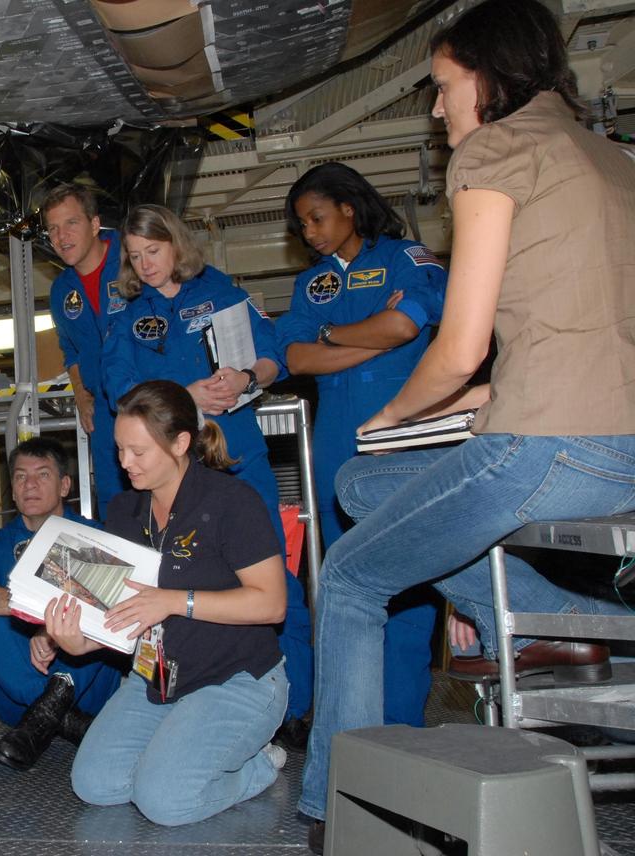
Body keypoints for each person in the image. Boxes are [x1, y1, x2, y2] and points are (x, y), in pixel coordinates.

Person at [298, 1, 635, 850]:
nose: (437, 108)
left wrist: (392, 414)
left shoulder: (496, 150)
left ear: (487, 78)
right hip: (616, 446)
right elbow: (573, 334)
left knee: (348, 577)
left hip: (548, 447)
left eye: (444, 87)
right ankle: (546, 625)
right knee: (358, 485)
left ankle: (333, 805)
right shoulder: (610, 157)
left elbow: (460, 345)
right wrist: (469, 401)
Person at [102, 203, 313, 743]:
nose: (145, 264)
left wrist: (245, 376)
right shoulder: (127, 317)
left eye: (153, 251)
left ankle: (294, 707)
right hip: (172, 473)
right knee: (171, 582)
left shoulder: (224, 291)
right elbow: (118, 391)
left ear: (175, 243)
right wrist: (185, 395)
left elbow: (274, 357)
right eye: (134, 256)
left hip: (240, 458)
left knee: (275, 582)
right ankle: (186, 697)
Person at [44, 380, 289, 826]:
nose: (124, 462)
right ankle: (177, 753)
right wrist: (74, 641)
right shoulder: (122, 511)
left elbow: (272, 604)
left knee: (164, 802)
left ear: (180, 443)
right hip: (155, 678)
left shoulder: (232, 501)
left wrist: (175, 601)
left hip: (235, 679)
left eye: (138, 452)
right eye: (119, 449)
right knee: (95, 785)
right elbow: (118, 609)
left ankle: (258, 767)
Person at [275, 162, 448, 731]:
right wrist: (369, 332)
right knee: (341, 586)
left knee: (408, 585)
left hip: (402, 440)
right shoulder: (310, 284)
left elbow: (408, 325)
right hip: (332, 448)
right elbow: (296, 358)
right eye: (302, 225)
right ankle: (349, 731)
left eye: (317, 217)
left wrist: (334, 335)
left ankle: (400, 726)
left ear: (349, 207)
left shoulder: (406, 256)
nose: (311, 232)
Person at [0, 437, 122, 771]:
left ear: (65, 485)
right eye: (21, 477)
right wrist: (35, 611)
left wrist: (53, 630)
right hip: (17, 704)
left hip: (90, 694)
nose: (30, 485)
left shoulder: (95, 537)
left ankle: (51, 710)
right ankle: (60, 716)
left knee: (107, 604)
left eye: (43, 475)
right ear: (12, 489)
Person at [44, 184, 126, 520]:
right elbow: (70, 348)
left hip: (150, 401)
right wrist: (79, 391)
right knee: (116, 503)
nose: (61, 237)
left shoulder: (132, 256)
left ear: (95, 224)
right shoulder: (62, 290)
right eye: (52, 229)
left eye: (71, 223)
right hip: (104, 412)